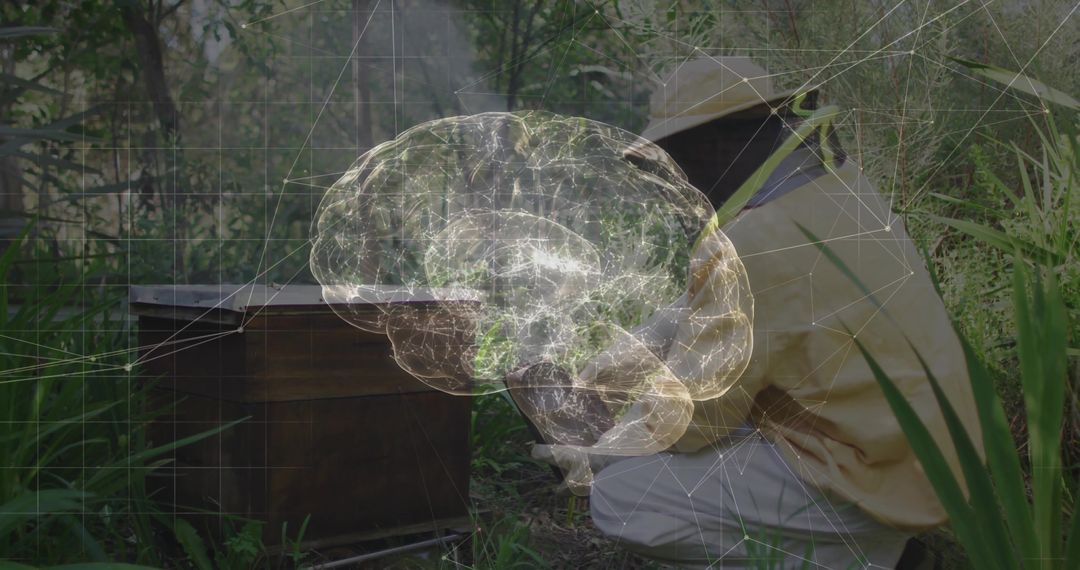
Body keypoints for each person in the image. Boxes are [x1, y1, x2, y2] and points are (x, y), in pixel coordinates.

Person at [581, 56, 983, 568]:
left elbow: (694, 422)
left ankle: (869, 558)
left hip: (875, 475)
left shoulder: (751, 245)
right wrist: (624, 359)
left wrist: (602, 449)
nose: (677, 177)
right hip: (931, 453)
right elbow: (722, 309)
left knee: (624, 497)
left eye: (677, 156)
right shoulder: (838, 188)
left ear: (717, 142)